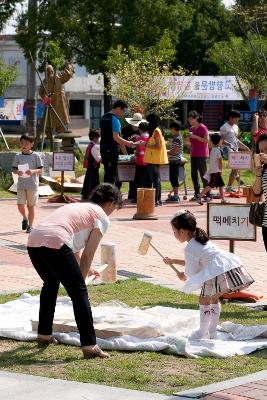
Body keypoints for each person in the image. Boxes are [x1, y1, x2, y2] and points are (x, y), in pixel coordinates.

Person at [27, 183, 122, 359]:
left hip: (34, 241)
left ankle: (44, 335)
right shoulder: (101, 217)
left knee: (50, 284)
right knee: (79, 293)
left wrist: (85, 271)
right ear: (110, 203)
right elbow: (87, 255)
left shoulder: (77, 207)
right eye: (114, 207)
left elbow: (74, 247)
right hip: (56, 241)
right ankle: (89, 345)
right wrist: (82, 281)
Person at [163, 210, 254, 339]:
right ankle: (212, 331)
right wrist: (173, 261)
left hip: (217, 270)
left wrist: (184, 276)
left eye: (174, 231)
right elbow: (197, 261)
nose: (174, 234)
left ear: (182, 231)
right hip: (226, 267)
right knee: (213, 299)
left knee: (204, 300)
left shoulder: (189, 247)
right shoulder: (199, 239)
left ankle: (202, 332)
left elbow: (192, 271)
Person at [12, 134, 43, 233]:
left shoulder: (36, 155)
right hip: (21, 184)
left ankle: (30, 226)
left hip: (32, 185)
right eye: (22, 143)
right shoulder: (18, 156)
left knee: (30, 206)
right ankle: (25, 218)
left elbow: (41, 170)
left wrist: (33, 171)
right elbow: (13, 169)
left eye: (26, 143)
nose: (24, 145)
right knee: (20, 205)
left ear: (32, 144)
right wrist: (17, 172)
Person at [100, 100, 135, 185]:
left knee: (107, 172)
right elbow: (116, 137)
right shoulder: (115, 120)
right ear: (119, 108)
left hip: (103, 148)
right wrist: (128, 143)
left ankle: (105, 193)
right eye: (123, 111)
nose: (123, 113)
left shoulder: (103, 117)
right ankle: (110, 195)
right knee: (112, 173)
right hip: (112, 150)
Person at [220, 110, 250, 192]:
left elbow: (236, 140)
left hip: (234, 150)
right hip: (226, 149)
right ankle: (237, 179)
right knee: (236, 165)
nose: (237, 120)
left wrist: (245, 147)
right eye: (236, 118)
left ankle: (231, 185)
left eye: (238, 119)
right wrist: (229, 144)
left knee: (236, 167)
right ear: (230, 118)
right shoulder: (224, 127)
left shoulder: (236, 127)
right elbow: (221, 140)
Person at [39, 63, 73, 133]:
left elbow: (41, 93)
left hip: (51, 103)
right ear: (52, 71)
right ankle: (60, 133)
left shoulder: (45, 81)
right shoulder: (57, 77)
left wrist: (46, 100)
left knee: (49, 121)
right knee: (60, 119)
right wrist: (68, 65)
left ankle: (49, 133)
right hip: (58, 103)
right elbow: (68, 74)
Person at [144, 113, 168, 206]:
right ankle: (158, 200)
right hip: (153, 158)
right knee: (156, 179)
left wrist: (146, 145)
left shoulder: (156, 131)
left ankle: (156, 200)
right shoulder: (156, 130)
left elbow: (158, 146)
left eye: (148, 121)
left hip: (154, 159)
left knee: (156, 179)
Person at [122, 112, 147, 200]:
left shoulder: (143, 130)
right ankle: (131, 194)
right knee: (128, 175)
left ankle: (133, 194)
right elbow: (122, 143)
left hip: (140, 157)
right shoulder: (125, 130)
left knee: (136, 177)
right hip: (128, 154)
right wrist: (126, 156)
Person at [198, 132, 226, 205]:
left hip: (213, 170)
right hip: (216, 171)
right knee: (210, 186)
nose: (222, 141)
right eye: (221, 140)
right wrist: (221, 169)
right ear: (219, 141)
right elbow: (220, 161)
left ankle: (223, 199)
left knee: (221, 185)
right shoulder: (218, 150)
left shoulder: (212, 149)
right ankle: (199, 196)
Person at [187, 111, 209, 201]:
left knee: (203, 174)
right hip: (194, 154)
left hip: (202, 154)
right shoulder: (191, 129)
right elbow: (190, 142)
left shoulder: (203, 127)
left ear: (196, 118)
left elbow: (207, 140)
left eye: (191, 119)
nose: (189, 121)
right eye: (188, 119)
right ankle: (197, 193)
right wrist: (188, 140)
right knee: (193, 175)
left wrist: (195, 137)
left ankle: (208, 194)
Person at [252, 133, 267, 251]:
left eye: (266, 149)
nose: (263, 153)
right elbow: (257, 193)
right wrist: (258, 175)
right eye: (261, 150)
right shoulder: (263, 168)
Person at [81, 129, 101, 201]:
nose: (99, 139)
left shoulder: (90, 145)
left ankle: (85, 195)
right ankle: (92, 196)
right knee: (93, 181)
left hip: (89, 166)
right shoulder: (94, 146)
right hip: (93, 166)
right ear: (94, 138)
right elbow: (97, 158)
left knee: (88, 180)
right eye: (98, 137)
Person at [131, 121, 150, 202]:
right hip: (149, 162)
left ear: (140, 130)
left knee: (139, 181)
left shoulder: (139, 139)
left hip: (140, 162)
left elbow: (137, 151)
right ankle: (148, 197)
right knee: (148, 180)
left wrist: (134, 156)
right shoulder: (150, 138)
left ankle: (137, 198)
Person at [166, 120, 183, 203]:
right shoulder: (179, 136)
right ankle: (175, 194)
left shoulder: (177, 139)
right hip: (174, 160)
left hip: (175, 160)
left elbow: (174, 151)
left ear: (173, 128)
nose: (170, 131)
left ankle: (176, 196)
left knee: (174, 178)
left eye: (171, 129)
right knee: (173, 178)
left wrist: (165, 151)